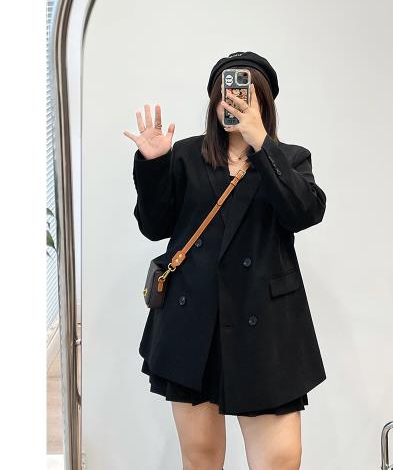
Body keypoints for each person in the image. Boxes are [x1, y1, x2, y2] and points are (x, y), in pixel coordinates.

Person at [124, 51, 327, 470]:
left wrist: (261, 144)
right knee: (200, 457)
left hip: (266, 328)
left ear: (264, 103)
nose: (232, 102)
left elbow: (304, 213)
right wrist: (154, 164)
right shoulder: (185, 155)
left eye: (245, 94)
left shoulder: (290, 158)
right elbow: (154, 225)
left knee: (280, 460)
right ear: (214, 102)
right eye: (226, 94)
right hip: (192, 323)